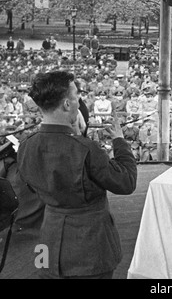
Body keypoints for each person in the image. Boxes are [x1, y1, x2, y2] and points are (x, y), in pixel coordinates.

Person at [17, 71, 137, 279]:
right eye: (76, 97)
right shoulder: (87, 150)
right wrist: (119, 142)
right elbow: (126, 182)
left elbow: (33, 185)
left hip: (47, 242)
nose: (79, 100)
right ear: (66, 104)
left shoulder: (25, 146)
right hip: (89, 249)